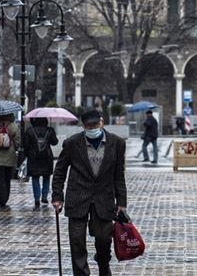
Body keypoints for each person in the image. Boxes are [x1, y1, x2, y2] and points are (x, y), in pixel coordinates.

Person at [52, 109, 127, 276]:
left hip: (104, 198)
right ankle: (81, 273)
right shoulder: (72, 143)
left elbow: (119, 175)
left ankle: (103, 264)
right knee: (77, 240)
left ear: (101, 122)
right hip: (78, 197)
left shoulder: (117, 143)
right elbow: (60, 171)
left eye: (95, 124)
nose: (92, 128)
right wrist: (57, 196)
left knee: (103, 239)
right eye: (88, 126)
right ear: (83, 126)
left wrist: (121, 202)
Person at [23, 117, 59, 208]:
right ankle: (44, 196)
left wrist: (29, 154)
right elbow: (55, 142)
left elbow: (25, 145)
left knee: (35, 178)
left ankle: (36, 199)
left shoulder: (30, 131)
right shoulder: (49, 130)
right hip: (47, 157)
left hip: (34, 158)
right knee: (46, 177)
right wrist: (51, 133)